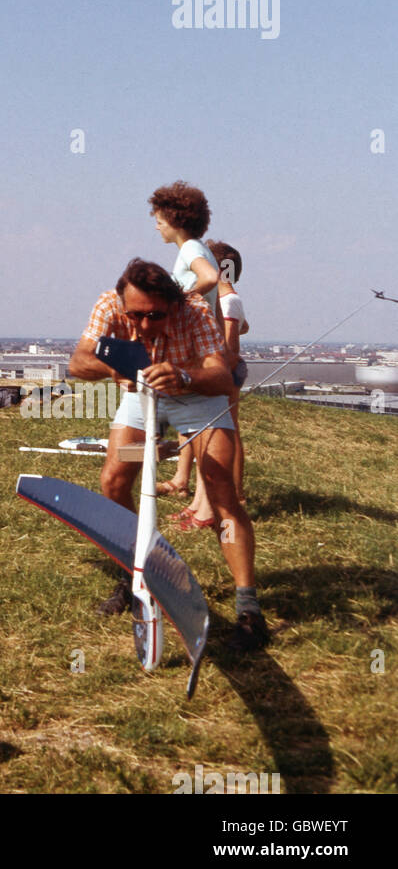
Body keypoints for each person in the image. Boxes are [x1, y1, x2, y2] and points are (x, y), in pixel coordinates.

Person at [68, 258, 267, 651]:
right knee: (113, 482)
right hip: (140, 395)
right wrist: (115, 372)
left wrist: (183, 376)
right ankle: (136, 576)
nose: (142, 325)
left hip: (198, 397)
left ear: (173, 304)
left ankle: (249, 609)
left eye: (154, 316)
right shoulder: (109, 304)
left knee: (222, 492)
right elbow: (78, 361)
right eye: (135, 316)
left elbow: (222, 376)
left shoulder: (194, 312)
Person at [150, 181, 220, 501]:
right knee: (187, 415)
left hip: (192, 346)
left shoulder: (190, 248)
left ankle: (201, 501)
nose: (157, 227)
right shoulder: (198, 247)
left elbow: (209, 278)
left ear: (176, 222)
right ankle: (181, 480)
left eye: (160, 221)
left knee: (195, 419)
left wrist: (177, 301)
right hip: (199, 344)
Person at [174, 241, 249, 524]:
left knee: (223, 436)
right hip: (222, 373)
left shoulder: (228, 301)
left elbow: (230, 347)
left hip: (223, 376)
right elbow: (244, 327)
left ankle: (232, 497)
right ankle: (203, 502)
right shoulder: (233, 300)